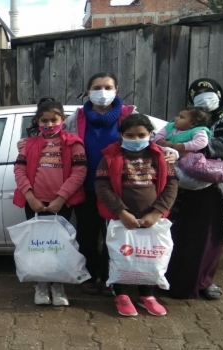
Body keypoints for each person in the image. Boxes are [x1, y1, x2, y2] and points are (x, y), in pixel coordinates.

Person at [17, 73, 177, 296]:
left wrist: (170, 151)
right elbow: (58, 138)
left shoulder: (129, 114)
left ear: (116, 89)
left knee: (117, 235)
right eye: (97, 87)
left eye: (107, 87)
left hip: (123, 189)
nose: (103, 91)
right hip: (86, 187)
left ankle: (114, 279)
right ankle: (90, 276)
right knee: (88, 235)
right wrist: (28, 143)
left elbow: (148, 137)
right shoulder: (77, 117)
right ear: (88, 91)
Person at [166, 78, 223, 300]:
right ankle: (174, 282)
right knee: (182, 235)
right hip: (184, 188)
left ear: (219, 93)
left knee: (209, 237)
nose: (203, 95)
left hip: (218, 188)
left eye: (208, 91)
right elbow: (167, 138)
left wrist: (194, 151)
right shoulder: (185, 118)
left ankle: (204, 282)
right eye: (198, 92)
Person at [95, 114, 178, 317]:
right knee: (119, 254)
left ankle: (147, 294)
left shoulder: (161, 156)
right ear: (122, 135)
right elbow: (102, 186)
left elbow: (172, 184)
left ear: (150, 134)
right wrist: (121, 212)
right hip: (120, 218)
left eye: (141, 135)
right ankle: (121, 293)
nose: (136, 139)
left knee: (149, 254)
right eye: (130, 135)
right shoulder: (110, 157)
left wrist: (157, 212)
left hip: (153, 218)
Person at [13, 98, 87, 306]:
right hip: (34, 203)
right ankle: (41, 284)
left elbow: (79, 172)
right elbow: (19, 170)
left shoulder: (73, 143)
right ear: (37, 122)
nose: (49, 124)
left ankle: (58, 284)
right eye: (44, 121)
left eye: (54, 120)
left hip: (62, 204)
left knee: (59, 245)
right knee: (38, 245)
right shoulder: (29, 144)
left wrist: (61, 199)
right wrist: (30, 197)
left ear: (62, 119)